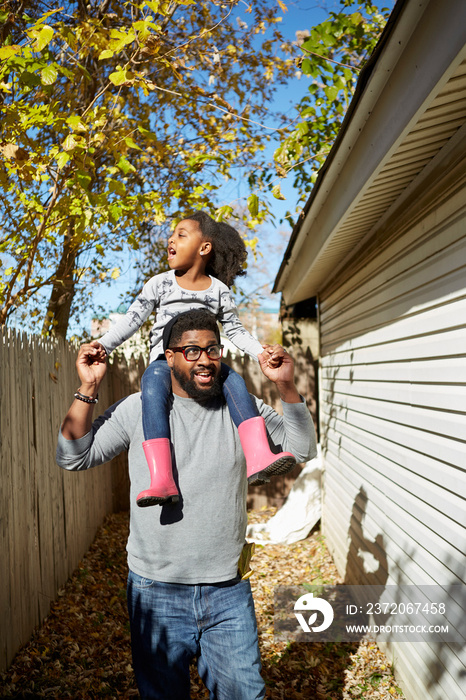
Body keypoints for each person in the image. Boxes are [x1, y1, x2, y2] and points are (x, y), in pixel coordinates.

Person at [57, 309, 317, 700]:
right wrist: (88, 387)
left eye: (212, 349)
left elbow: (303, 448)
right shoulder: (138, 409)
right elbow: (72, 455)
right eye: (192, 351)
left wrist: (286, 387)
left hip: (227, 589)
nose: (205, 360)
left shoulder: (242, 408)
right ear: (170, 356)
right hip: (155, 591)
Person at [88, 212, 296, 508]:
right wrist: (103, 345)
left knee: (235, 381)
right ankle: (162, 479)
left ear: (204, 247)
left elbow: (235, 330)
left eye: (181, 234)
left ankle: (259, 456)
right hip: (165, 361)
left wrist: (260, 352)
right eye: (172, 235)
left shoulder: (219, 291)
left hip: (205, 360)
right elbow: (132, 320)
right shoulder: (160, 284)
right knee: (151, 388)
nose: (171, 239)